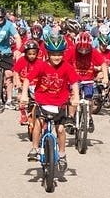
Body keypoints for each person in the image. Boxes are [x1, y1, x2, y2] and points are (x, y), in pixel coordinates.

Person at [25, 34, 79, 168]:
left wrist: (76, 96)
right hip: (43, 101)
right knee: (38, 123)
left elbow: (74, 82)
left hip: (59, 103)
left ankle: (62, 154)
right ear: (48, 53)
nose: (57, 57)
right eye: (54, 54)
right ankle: (35, 148)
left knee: (60, 130)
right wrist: (23, 95)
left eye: (60, 54)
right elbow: (27, 79)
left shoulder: (67, 67)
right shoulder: (41, 66)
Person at [63, 31, 108, 131]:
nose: (83, 52)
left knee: (89, 98)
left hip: (88, 80)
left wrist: (105, 77)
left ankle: (89, 117)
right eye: (81, 49)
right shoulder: (71, 50)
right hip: (75, 80)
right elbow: (64, 63)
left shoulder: (93, 51)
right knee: (73, 96)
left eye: (85, 49)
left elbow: (103, 64)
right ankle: (70, 117)